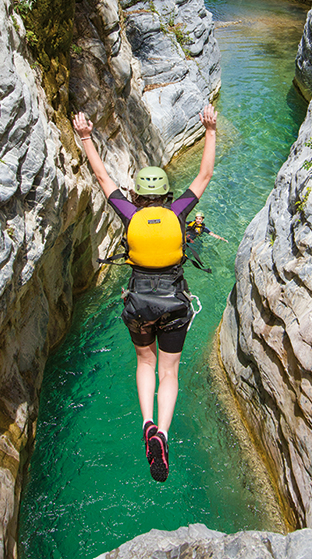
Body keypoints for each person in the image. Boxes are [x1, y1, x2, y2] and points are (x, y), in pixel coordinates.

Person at [72, 104, 218, 483]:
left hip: (138, 304)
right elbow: (204, 174)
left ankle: (147, 423)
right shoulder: (179, 212)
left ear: (136, 195)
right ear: (167, 195)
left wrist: (86, 137)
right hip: (173, 303)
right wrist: (211, 130)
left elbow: (103, 176)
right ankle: (164, 435)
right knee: (170, 372)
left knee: (145, 364)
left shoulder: (130, 215)